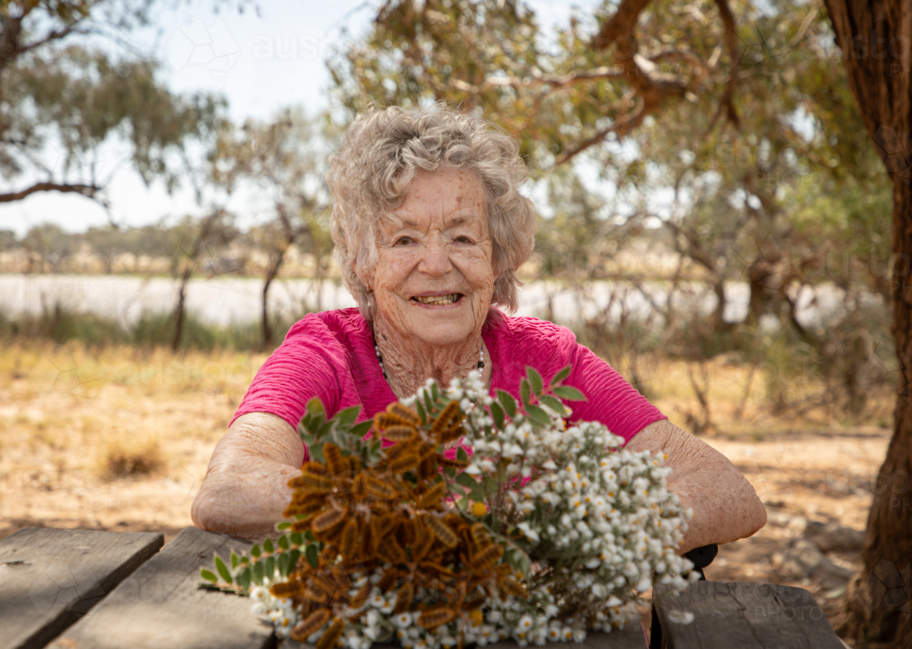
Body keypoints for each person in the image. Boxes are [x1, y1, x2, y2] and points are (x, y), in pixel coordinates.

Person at [192, 105, 767, 553]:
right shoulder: (325, 352)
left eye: (464, 237)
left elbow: (725, 490)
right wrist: (431, 524)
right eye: (404, 239)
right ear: (364, 262)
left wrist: (569, 536)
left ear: (499, 258)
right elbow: (231, 488)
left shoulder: (546, 360)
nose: (437, 264)